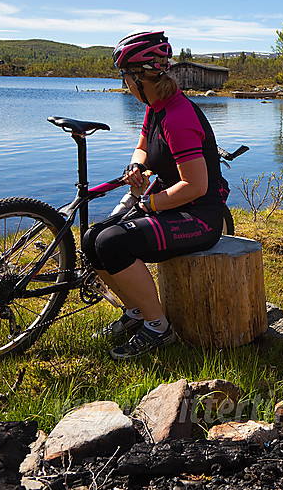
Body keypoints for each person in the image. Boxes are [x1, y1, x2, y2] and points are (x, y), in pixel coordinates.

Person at [83, 31, 229, 360]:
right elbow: (141, 148)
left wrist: (148, 204)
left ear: (139, 77)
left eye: (125, 77)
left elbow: (196, 186)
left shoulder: (178, 116)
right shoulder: (155, 107)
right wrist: (135, 166)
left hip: (199, 218)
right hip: (168, 207)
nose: (124, 85)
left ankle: (158, 327)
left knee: (112, 243)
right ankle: (136, 312)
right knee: (92, 239)